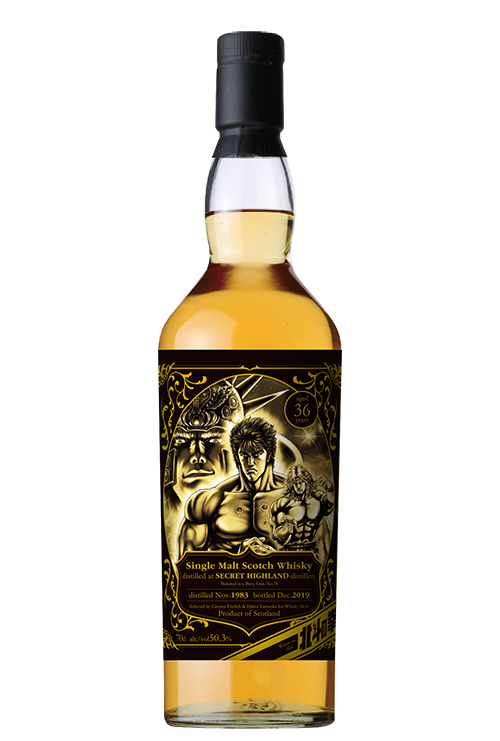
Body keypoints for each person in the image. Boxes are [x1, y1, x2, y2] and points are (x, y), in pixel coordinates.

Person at [177, 416, 287, 557]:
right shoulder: (209, 502)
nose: (250, 462)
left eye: (257, 454)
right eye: (244, 455)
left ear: (269, 455)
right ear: (237, 457)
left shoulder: (296, 496)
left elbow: (312, 558)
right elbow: (187, 565)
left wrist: (276, 559)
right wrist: (238, 558)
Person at [270, 465, 334, 561]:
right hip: (290, 552)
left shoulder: (317, 499)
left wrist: (330, 490)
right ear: (291, 485)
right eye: (295, 484)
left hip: (311, 552)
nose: (298, 486)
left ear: (307, 482)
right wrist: (285, 528)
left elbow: (331, 505)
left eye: (301, 482)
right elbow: (276, 535)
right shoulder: (284, 503)